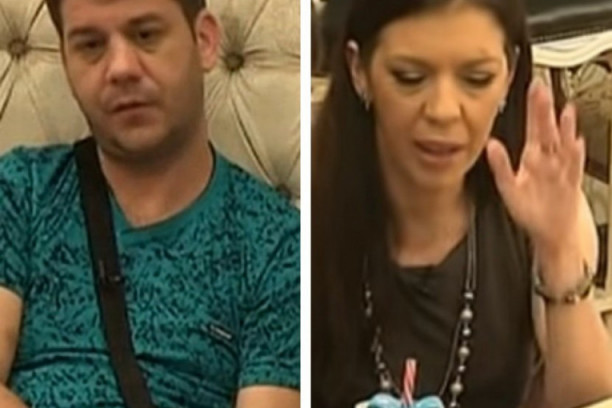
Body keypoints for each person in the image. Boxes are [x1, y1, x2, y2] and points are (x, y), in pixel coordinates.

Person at [312, 0, 612, 407]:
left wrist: (558, 249)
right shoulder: (310, 215)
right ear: (359, 70)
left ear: (508, 75)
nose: (443, 111)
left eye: (476, 79)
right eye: (410, 77)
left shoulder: (533, 206)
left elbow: (590, 397)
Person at [0, 0, 300, 407]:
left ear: (204, 41)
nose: (121, 68)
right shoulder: (22, 190)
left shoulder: (277, 244)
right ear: (67, 62)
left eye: (146, 35)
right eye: (91, 45)